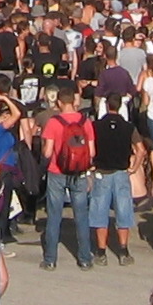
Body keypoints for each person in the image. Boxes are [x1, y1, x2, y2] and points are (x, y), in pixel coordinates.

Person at [39, 86, 97, 271]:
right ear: (74, 101)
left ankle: (50, 259)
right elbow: (92, 152)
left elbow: (48, 152)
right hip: (79, 172)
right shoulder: (85, 122)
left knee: (54, 214)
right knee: (81, 215)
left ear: (59, 103)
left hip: (57, 171)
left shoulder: (53, 122)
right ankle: (85, 258)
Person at [86, 95, 140, 265]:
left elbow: (90, 148)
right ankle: (123, 250)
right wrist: (135, 167)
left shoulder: (96, 126)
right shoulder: (129, 127)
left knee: (99, 212)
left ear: (107, 105)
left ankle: (101, 251)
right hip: (122, 172)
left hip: (102, 171)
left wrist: (90, 164)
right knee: (123, 211)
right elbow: (141, 149)